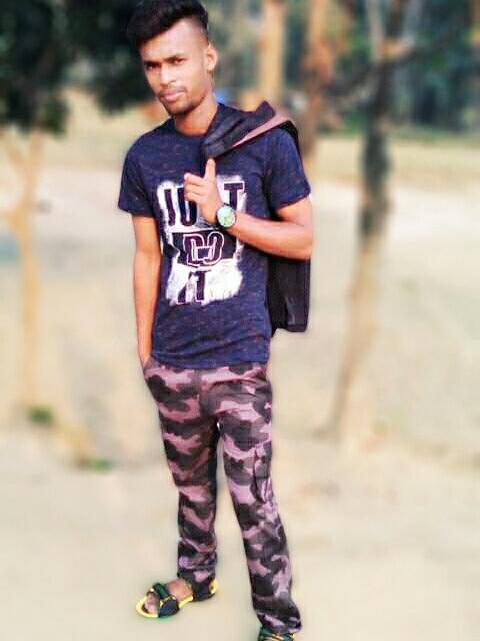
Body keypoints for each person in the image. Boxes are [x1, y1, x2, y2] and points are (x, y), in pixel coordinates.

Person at [117, 2, 313, 639]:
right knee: (191, 487)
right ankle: (196, 575)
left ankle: (278, 621)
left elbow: (302, 239)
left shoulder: (264, 142)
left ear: (209, 57)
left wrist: (224, 216)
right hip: (173, 359)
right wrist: (146, 351)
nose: (165, 77)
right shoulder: (144, 156)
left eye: (176, 60)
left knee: (253, 499)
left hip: (238, 360)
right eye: (153, 65)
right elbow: (148, 257)